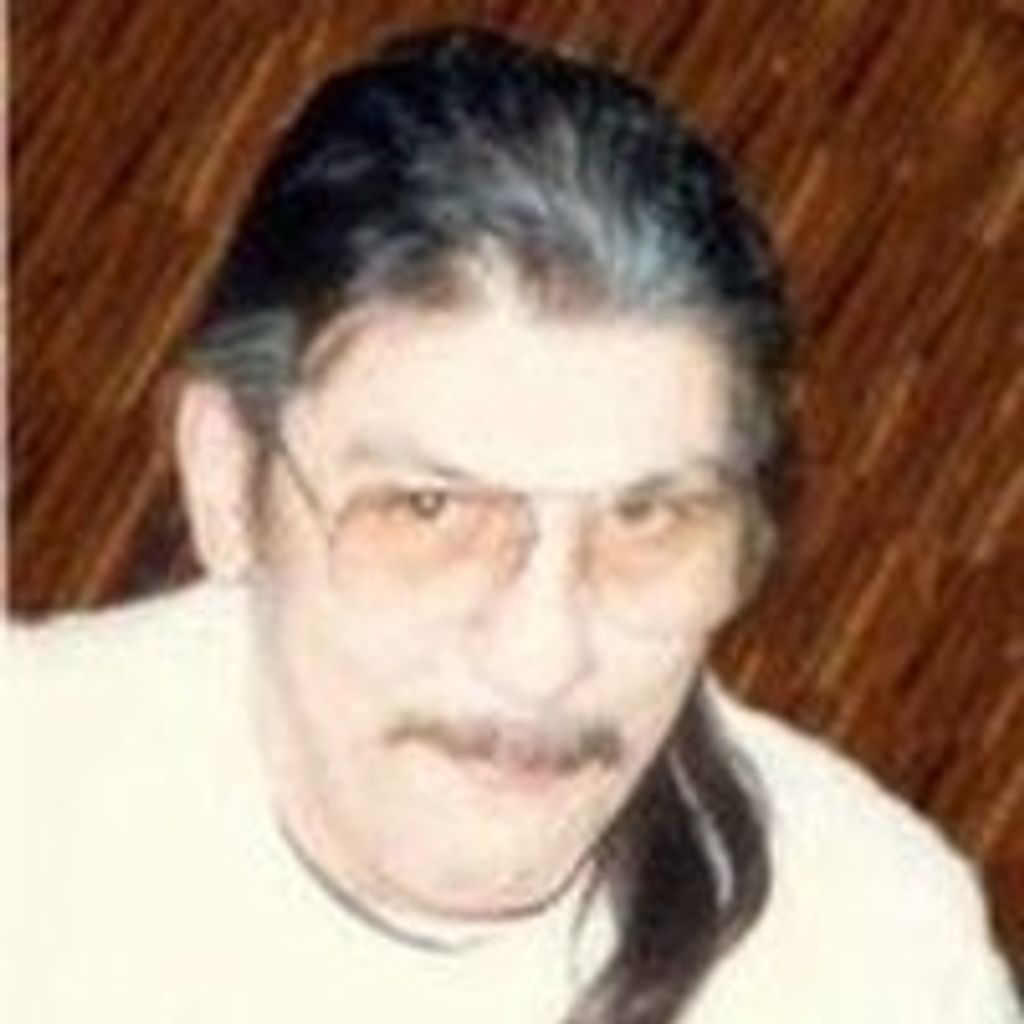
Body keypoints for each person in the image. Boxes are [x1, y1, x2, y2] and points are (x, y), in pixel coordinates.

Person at [3, 26, 1018, 1024]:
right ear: (226, 478)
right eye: (428, 509)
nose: (542, 659)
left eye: (645, 518)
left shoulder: (874, 953)